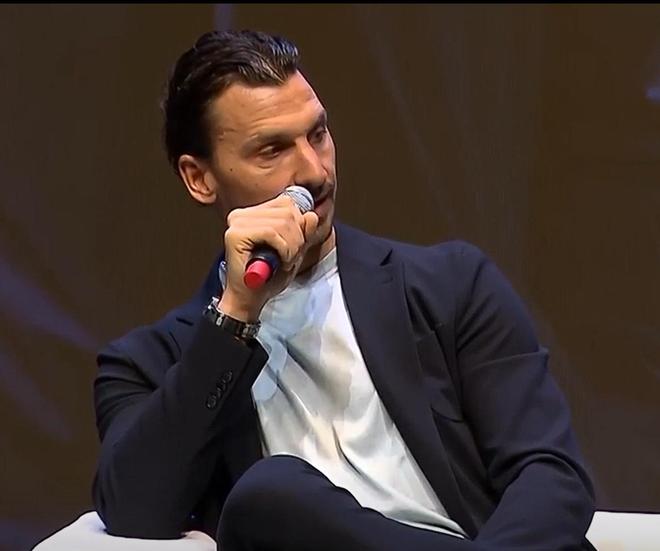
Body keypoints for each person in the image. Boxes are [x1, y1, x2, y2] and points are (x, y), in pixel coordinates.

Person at [92, 29, 596, 550]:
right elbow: (134, 506)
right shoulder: (148, 364)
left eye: (318, 135)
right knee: (267, 497)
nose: (314, 172)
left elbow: (550, 474)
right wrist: (236, 314)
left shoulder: (451, 286)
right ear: (200, 178)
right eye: (272, 150)